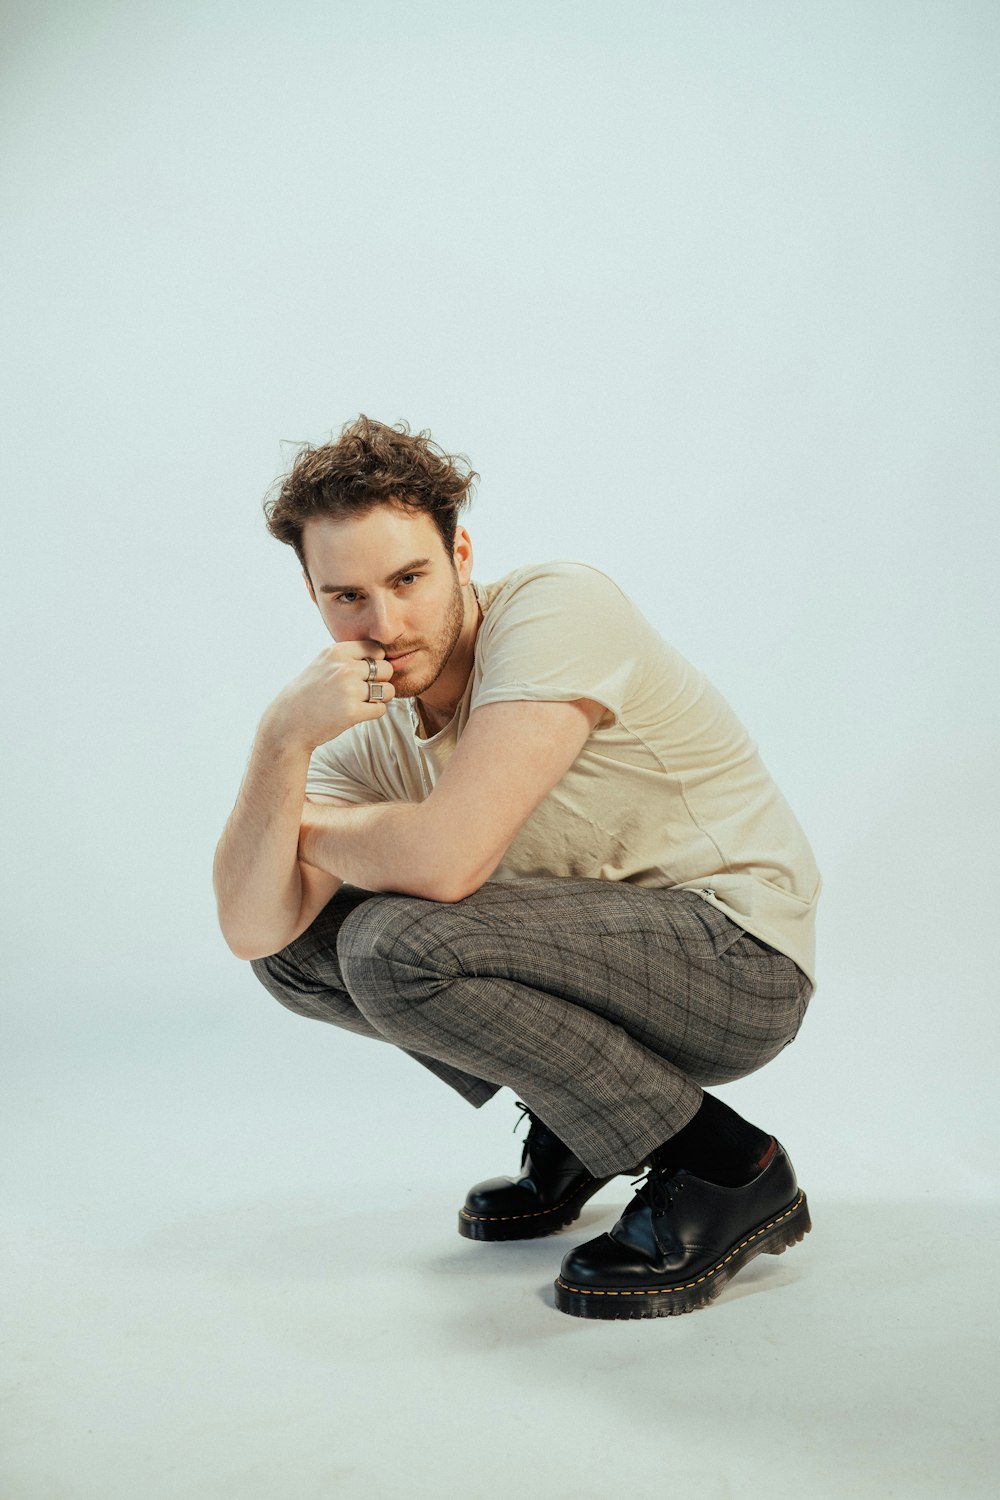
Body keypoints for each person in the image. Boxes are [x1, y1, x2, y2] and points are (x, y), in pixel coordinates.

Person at [212, 414, 821, 1320]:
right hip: (598, 965)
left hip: (736, 957)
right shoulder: (358, 726)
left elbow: (449, 862)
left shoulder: (555, 608)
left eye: (409, 578)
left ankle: (730, 1168)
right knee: (302, 950)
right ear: (312, 595)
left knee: (392, 942)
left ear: (461, 553)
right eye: (346, 598)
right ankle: (583, 1116)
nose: (384, 625)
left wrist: (311, 831)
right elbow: (253, 929)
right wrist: (279, 741)